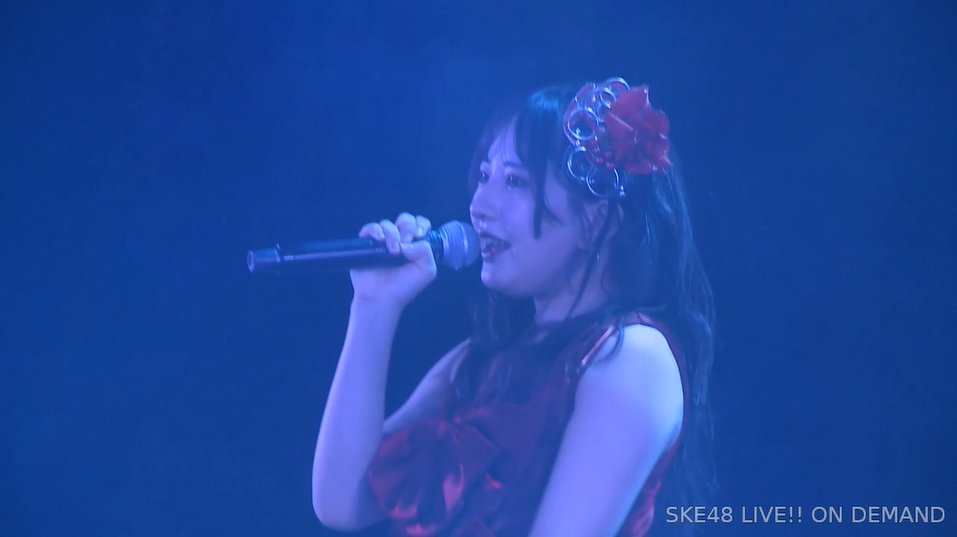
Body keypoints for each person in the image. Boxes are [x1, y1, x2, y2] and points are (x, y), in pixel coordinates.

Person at [311, 77, 716, 536]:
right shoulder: (476, 362)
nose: (479, 206)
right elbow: (342, 502)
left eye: (515, 181)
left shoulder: (632, 358)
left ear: (594, 219)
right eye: (484, 176)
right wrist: (373, 307)